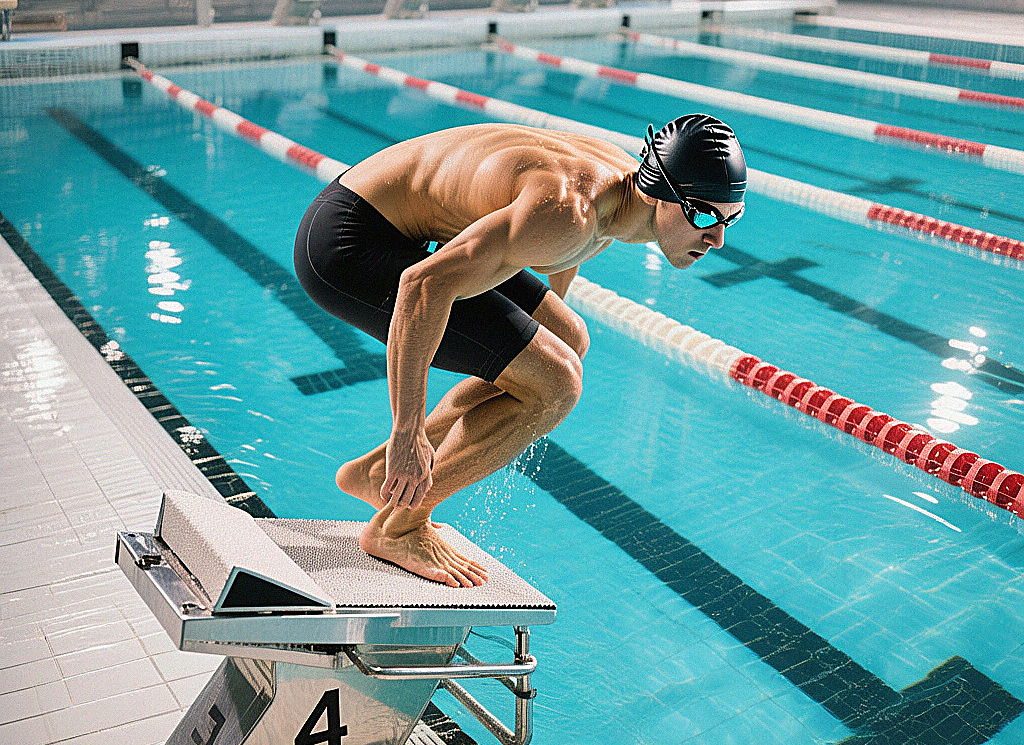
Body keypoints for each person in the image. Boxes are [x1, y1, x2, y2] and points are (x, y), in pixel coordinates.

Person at [294, 114, 746, 587]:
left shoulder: (622, 194)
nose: (716, 238)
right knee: (557, 384)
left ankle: (378, 472)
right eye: (703, 214)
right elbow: (421, 285)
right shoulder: (570, 211)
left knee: (570, 342)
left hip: (401, 227)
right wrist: (408, 430)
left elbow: (569, 254)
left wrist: (540, 343)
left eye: (729, 217)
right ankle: (399, 526)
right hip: (347, 243)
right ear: (661, 190)